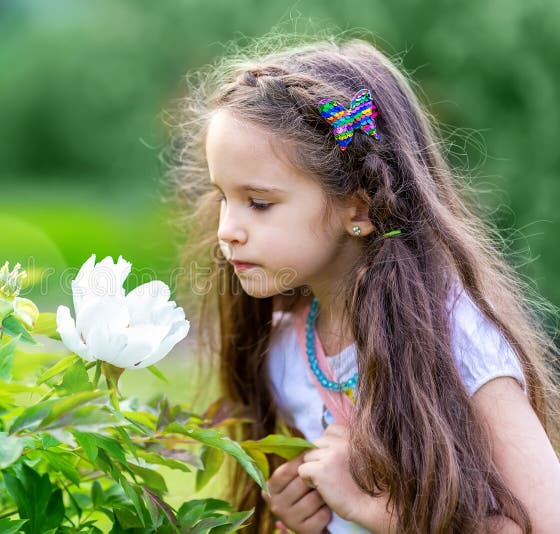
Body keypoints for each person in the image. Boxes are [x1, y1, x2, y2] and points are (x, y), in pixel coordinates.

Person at [167, 37, 560, 533]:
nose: (226, 229)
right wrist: (301, 519)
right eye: (223, 196)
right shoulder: (286, 352)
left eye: (259, 203)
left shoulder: (458, 344)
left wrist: (379, 514)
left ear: (358, 209)